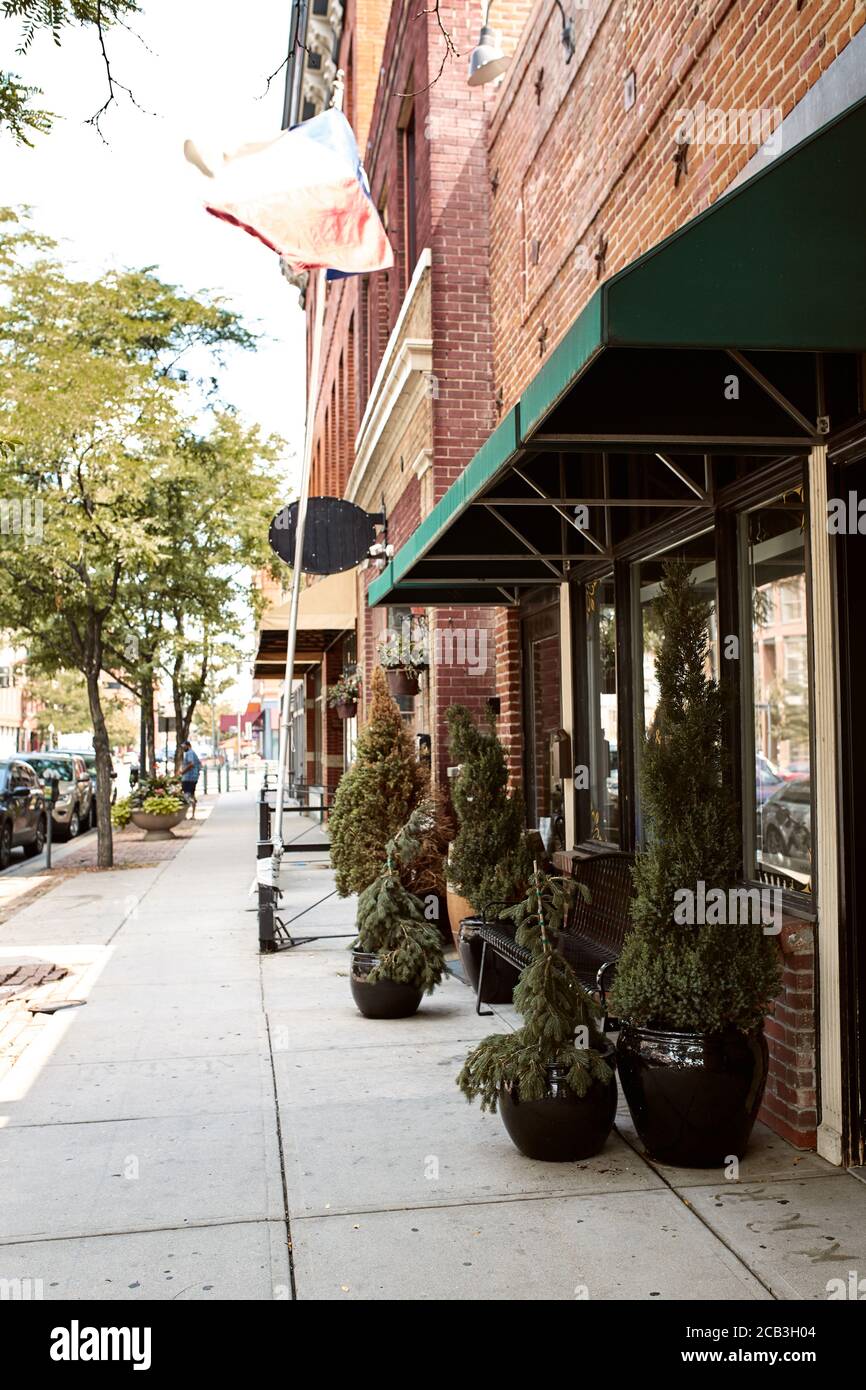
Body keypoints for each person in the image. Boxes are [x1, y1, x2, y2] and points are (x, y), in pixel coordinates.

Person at [180, 741, 201, 815]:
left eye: (184, 746)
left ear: (188, 746)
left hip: (188, 777)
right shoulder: (192, 753)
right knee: (191, 795)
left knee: (187, 795)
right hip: (192, 777)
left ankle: (186, 814)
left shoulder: (189, 753)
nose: (183, 748)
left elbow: (191, 764)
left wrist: (183, 772)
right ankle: (192, 814)